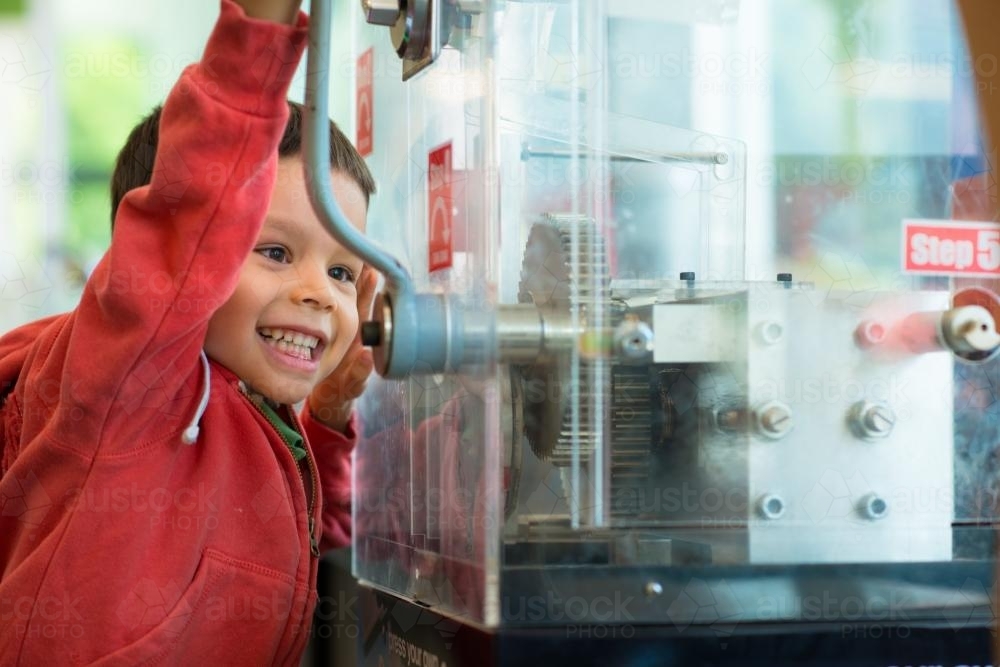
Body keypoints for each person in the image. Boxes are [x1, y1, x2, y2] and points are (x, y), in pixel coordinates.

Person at [0, 0, 377, 663]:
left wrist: (329, 414)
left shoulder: (262, 415)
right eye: (276, 252)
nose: (320, 292)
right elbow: (192, 209)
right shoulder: (129, 382)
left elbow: (315, 535)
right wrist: (258, 34)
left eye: (343, 269)